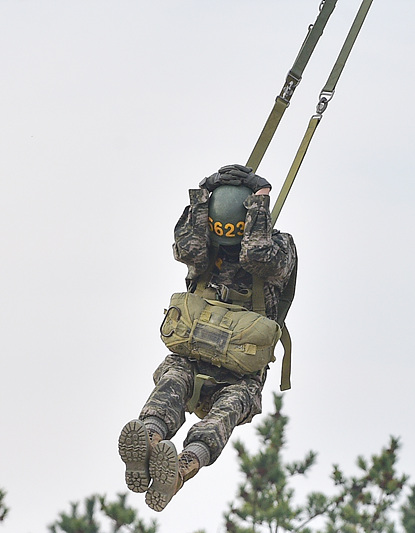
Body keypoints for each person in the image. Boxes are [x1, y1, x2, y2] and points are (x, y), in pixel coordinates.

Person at [119, 164, 297, 511]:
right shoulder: (205, 251)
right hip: (194, 358)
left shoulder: (279, 252)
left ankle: (180, 470)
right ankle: (148, 442)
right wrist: (204, 197)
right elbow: (187, 244)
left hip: (240, 377)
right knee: (171, 385)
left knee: (221, 414)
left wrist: (255, 199)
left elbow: (255, 255)